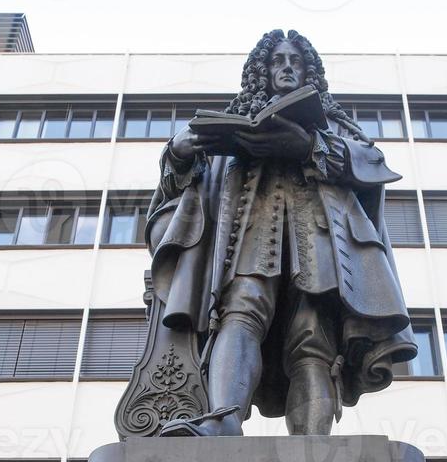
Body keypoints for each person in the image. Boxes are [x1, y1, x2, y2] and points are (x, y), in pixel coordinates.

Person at [147, 29, 417, 437]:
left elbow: (372, 163)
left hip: (321, 237)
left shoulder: (334, 124)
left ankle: (313, 442)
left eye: (296, 61)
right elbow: (187, 183)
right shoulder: (236, 115)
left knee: (312, 336)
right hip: (250, 229)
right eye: (278, 60)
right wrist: (179, 151)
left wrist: (308, 145)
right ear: (263, 71)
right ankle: (223, 419)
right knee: (240, 312)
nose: (287, 67)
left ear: (310, 71)